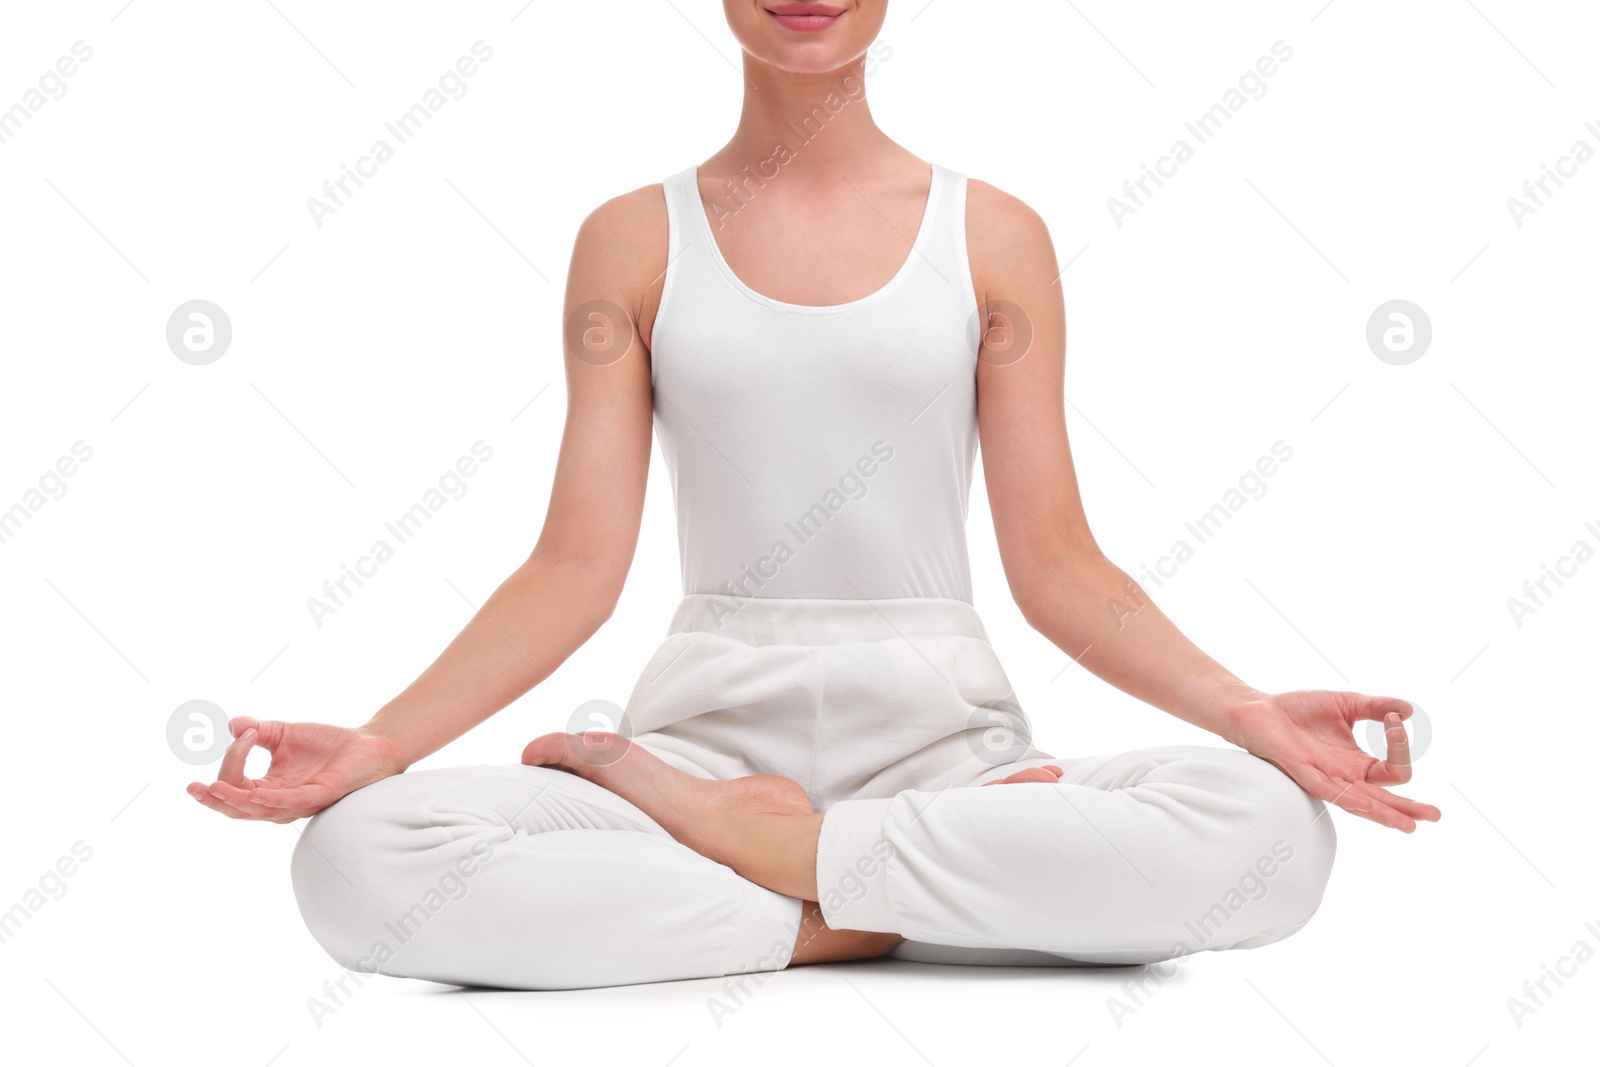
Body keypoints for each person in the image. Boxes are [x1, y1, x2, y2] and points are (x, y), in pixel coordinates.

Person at [187, 0, 1439, 990]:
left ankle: (786, 870)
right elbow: (574, 565)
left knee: (1271, 834)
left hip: (948, 763)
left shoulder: (991, 232)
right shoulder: (632, 237)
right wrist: (381, 743)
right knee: (355, 861)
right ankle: (873, 911)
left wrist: (1245, 712)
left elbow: (1059, 564)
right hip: (695, 753)